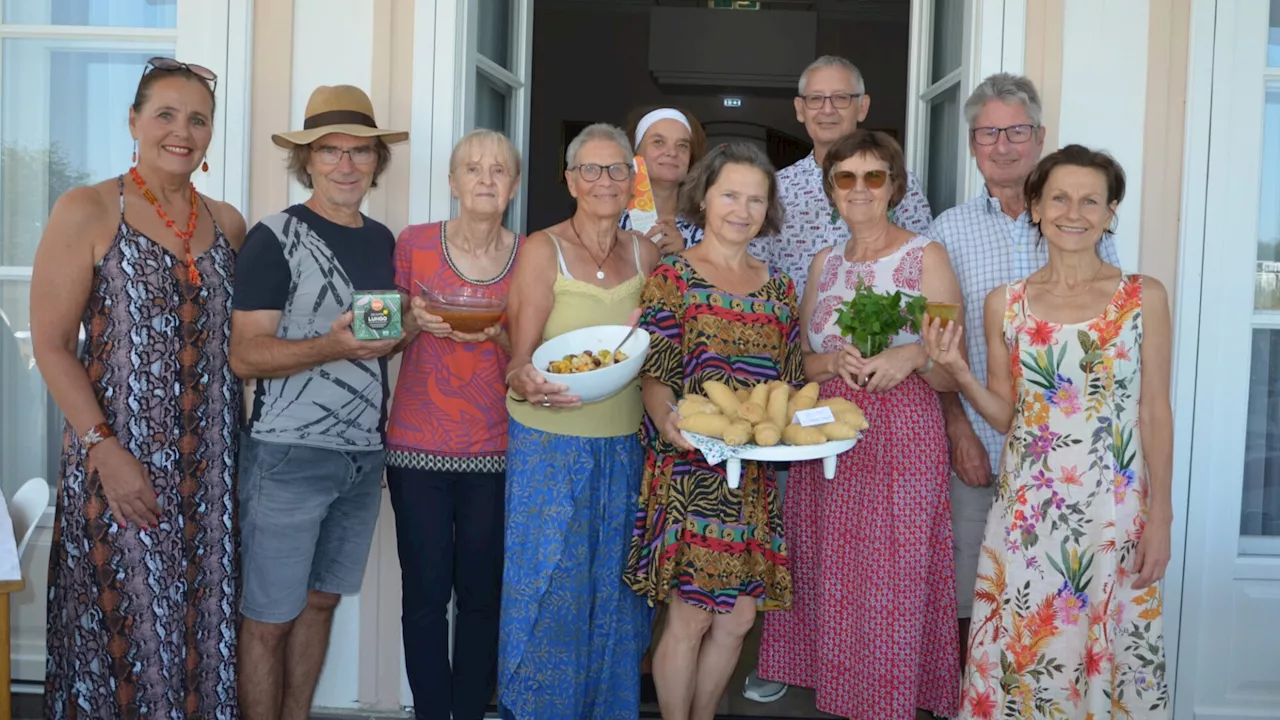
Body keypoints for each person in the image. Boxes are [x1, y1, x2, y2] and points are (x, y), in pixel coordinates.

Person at [923, 144, 1172, 719]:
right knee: (1024, 653)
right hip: (1028, 517)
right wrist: (958, 371)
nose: (1074, 212)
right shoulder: (1004, 305)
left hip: (1115, 515)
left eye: (1091, 200)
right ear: (1035, 206)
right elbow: (1010, 417)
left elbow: (1155, 410)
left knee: (1109, 648)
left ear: (1111, 211)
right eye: (1059, 197)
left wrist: (1160, 516)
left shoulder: (1144, 297)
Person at [33, 57, 246, 718]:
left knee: (197, 643)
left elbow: (239, 347)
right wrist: (103, 449)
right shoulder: (88, 208)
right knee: (119, 646)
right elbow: (50, 346)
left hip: (210, 481)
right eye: (165, 114)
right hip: (117, 469)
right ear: (133, 121)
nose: (181, 132)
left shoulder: (230, 224)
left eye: (197, 119)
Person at [743, 54, 935, 703]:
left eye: (873, 177)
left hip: (900, 431)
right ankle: (824, 677)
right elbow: (797, 345)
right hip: (821, 423)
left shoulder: (923, 249)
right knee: (820, 557)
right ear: (831, 188)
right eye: (846, 178)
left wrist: (908, 357)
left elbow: (945, 341)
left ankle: (885, 689)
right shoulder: (822, 261)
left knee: (890, 568)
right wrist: (826, 365)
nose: (859, 187)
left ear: (894, 184)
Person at [925, 73, 1122, 660]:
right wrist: (959, 430)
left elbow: (1108, 341)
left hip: (1064, 462)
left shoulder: (1077, 225)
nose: (1003, 145)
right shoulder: (947, 232)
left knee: (1059, 602)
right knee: (971, 601)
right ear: (972, 145)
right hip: (978, 446)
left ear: (1038, 137)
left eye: (1016, 131)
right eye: (988, 133)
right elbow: (936, 346)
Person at [229, 84, 409, 720]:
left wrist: (405, 334)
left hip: (363, 457)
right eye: (331, 151)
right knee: (269, 617)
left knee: (322, 601)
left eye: (360, 151)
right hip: (288, 454)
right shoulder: (274, 237)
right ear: (306, 160)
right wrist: (330, 346)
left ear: (376, 162)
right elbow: (245, 355)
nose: (346, 164)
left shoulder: (386, 241)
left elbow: (376, 343)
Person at [625, 143, 800, 720]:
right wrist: (667, 421)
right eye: (730, 194)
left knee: (739, 617)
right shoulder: (674, 276)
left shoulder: (779, 288)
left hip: (751, 477)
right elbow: (653, 372)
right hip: (689, 471)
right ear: (705, 195)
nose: (742, 209)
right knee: (692, 615)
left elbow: (791, 381)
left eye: (755, 199)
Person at [498, 123, 659, 719]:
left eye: (617, 169)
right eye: (590, 170)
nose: (604, 181)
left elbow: (658, 348)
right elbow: (519, 355)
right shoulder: (544, 247)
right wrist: (525, 378)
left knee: (617, 596)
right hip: (550, 442)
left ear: (631, 180)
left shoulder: (646, 253)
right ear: (569, 180)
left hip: (625, 445)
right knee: (550, 590)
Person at [386, 128, 522, 720]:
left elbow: (536, 353)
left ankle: (468, 712)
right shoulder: (413, 244)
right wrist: (414, 321)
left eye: (499, 170)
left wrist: (502, 335)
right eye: (473, 168)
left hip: (495, 448)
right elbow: (378, 337)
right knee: (423, 596)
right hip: (416, 447)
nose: (486, 179)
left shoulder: (531, 254)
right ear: (452, 181)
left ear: (514, 185)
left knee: (481, 598)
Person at [619, 106, 708, 253]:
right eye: (658, 142)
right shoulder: (610, 217)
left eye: (682, 145)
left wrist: (684, 256)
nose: (672, 152)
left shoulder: (705, 226)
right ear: (635, 151)